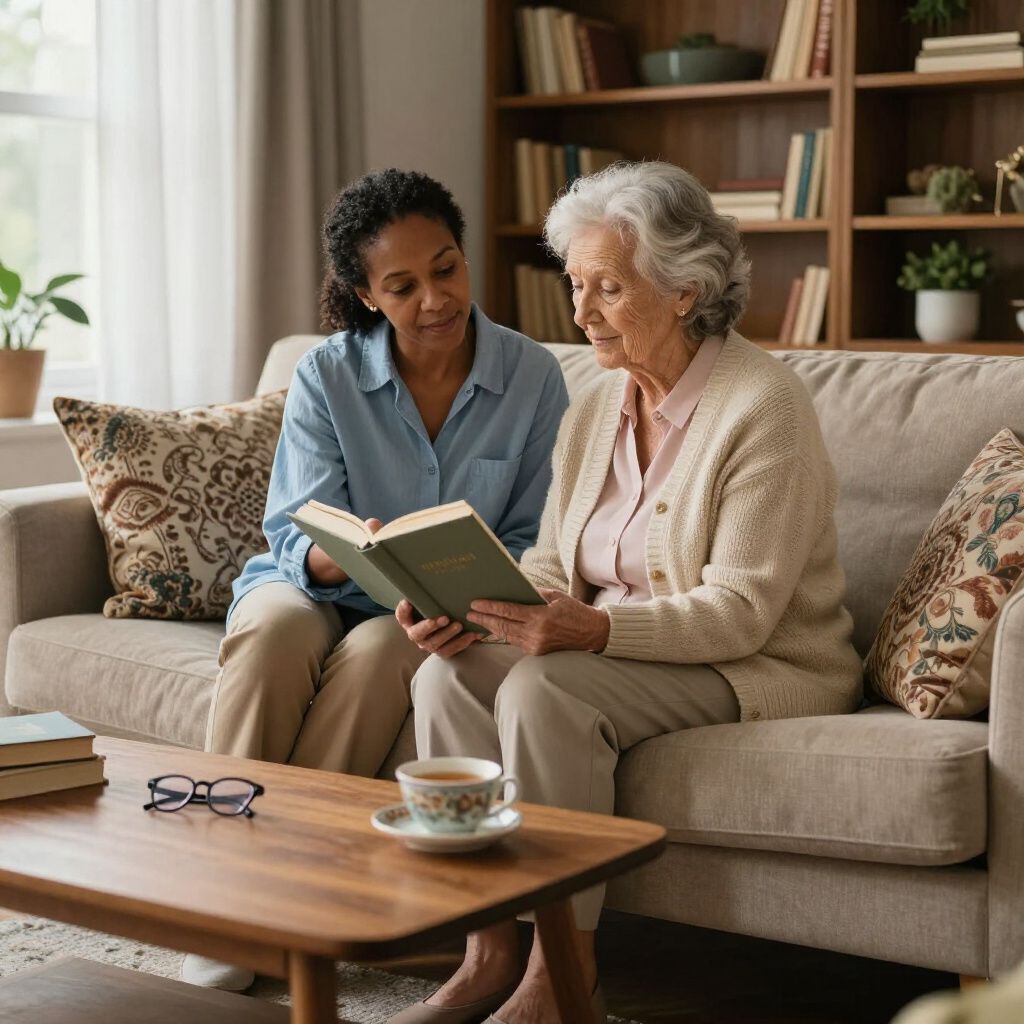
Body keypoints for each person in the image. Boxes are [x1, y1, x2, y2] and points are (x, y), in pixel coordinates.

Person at [389, 161, 863, 1024]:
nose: (580, 313)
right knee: (445, 676)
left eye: (608, 287)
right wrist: (473, 605)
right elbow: (554, 565)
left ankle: (563, 982)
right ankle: (490, 951)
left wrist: (592, 635)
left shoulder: (766, 408)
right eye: (576, 284)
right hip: (611, 644)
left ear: (684, 291)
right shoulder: (595, 404)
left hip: (755, 660)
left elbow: (741, 611)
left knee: (546, 686)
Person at [186, 169, 568, 991]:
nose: (435, 297)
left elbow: (537, 534)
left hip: (431, 610)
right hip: (314, 579)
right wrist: (349, 547)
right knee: (270, 634)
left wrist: (473, 603)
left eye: (447, 268)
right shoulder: (327, 374)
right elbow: (295, 525)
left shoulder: (534, 377)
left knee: (378, 658)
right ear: (364, 295)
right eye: (403, 285)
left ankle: (289, 895)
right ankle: (215, 893)